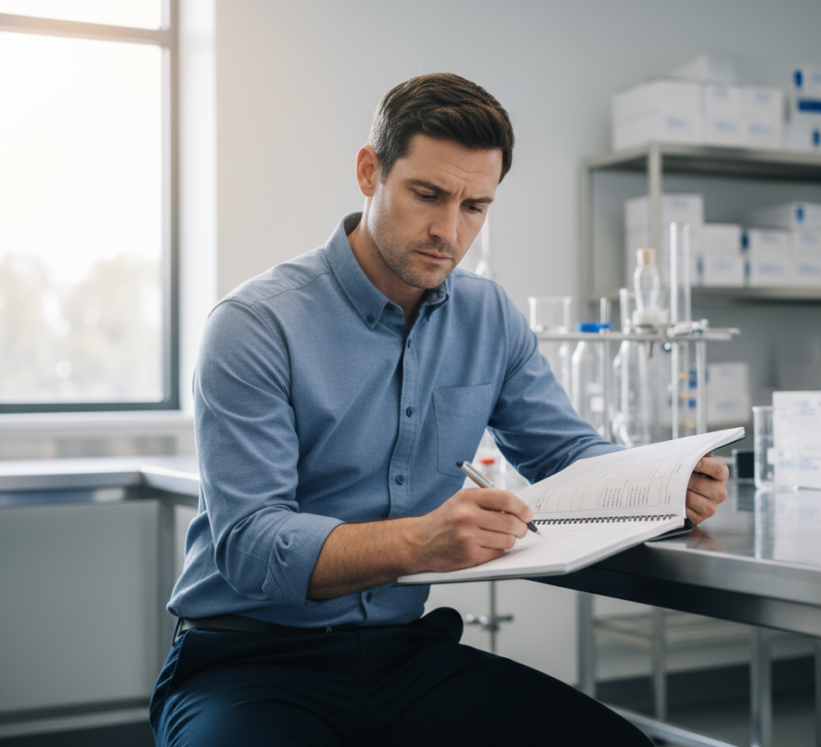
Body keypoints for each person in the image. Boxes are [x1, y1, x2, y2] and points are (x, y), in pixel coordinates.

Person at [150, 72, 729, 746]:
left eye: (475, 206)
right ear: (370, 172)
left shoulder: (488, 316)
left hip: (402, 656)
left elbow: (569, 453)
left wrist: (662, 483)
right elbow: (251, 545)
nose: (449, 231)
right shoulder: (256, 324)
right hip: (247, 660)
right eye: (428, 195)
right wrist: (418, 542)